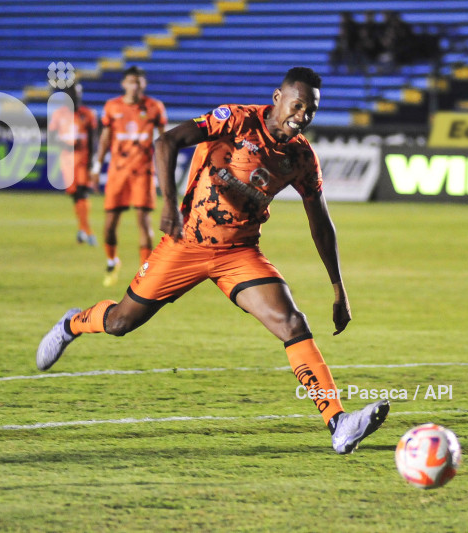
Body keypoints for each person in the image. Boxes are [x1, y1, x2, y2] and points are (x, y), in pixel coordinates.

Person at [37, 67, 389, 454]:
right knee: (121, 322)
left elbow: (320, 221)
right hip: (185, 243)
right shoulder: (236, 120)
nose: (302, 116)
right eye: (298, 105)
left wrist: (339, 289)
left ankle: (339, 424)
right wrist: (169, 205)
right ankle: (73, 322)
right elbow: (166, 142)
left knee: (292, 322)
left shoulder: (301, 157)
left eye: (311, 110)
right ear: (278, 98)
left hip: (239, 253)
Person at [90, 66, 167, 287]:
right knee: (110, 225)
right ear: (124, 84)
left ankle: (145, 274)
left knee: (143, 221)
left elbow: (163, 141)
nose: (135, 86)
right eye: (131, 82)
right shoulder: (112, 106)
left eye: (139, 82)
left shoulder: (154, 107)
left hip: (143, 172)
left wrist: (164, 169)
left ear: (144, 85)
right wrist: (96, 168)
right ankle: (112, 261)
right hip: (117, 172)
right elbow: (105, 139)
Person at [47, 82, 98, 246]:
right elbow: (52, 137)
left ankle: (86, 230)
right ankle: (83, 229)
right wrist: (65, 145)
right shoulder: (59, 115)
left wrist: (92, 161)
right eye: (73, 94)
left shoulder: (88, 114)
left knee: (83, 193)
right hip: (68, 161)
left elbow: (93, 139)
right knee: (76, 195)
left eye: (78, 94)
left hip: (83, 160)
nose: (76, 97)